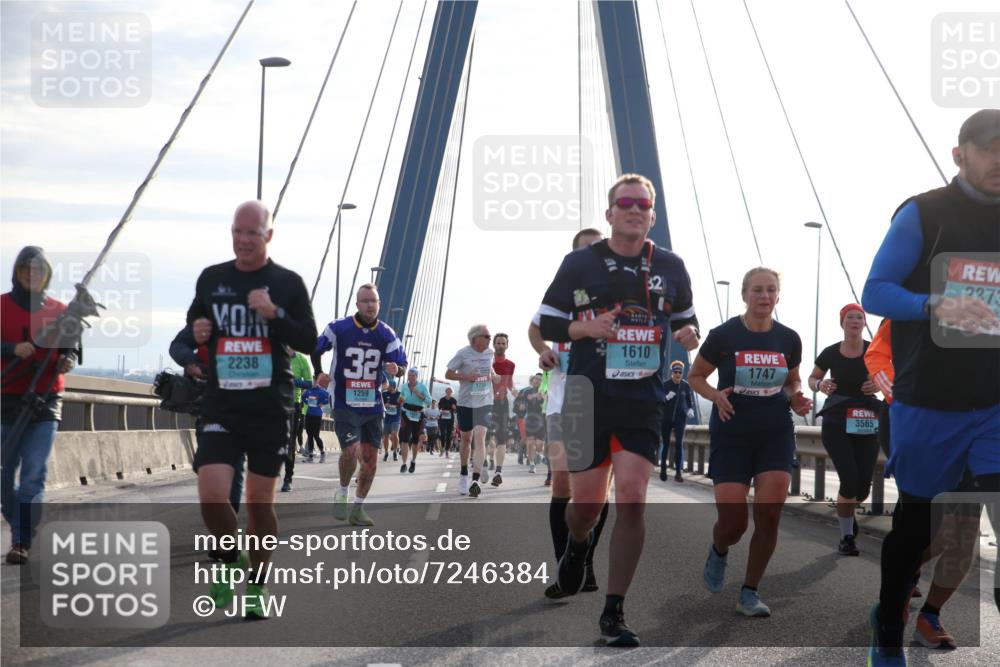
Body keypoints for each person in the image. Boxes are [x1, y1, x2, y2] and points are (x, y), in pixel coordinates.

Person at [861, 108, 1000, 666]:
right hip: (930, 400)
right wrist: (933, 303)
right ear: (960, 154)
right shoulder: (925, 214)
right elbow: (876, 291)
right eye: (990, 148)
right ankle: (889, 624)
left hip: (994, 401)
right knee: (916, 527)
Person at [538, 173, 700, 646]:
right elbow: (548, 318)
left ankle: (614, 612)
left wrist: (690, 335)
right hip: (588, 396)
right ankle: (578, 546)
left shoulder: (671, 265)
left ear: (652, 215)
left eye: (643, 205)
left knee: (632, 494)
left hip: (641, 398)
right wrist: (585, 331)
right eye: (625, 203)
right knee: (585, 507)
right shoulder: (579, 264)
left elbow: (687, 319)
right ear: (609, 213)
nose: (634, 210)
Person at [185, 200, 317, 619]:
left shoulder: (288, 283)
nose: (243, 240)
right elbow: (196, 320)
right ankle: (230, 559)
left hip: (269, 408)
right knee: (210, 496)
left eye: (252, 234)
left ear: (268, 236)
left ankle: (256, 587)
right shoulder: (212, 278)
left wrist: (274, 314)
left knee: (260, 506)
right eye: (237, 232)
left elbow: (310, 340)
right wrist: (198, 329)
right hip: (222, 403)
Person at [688, 267, 812, 618]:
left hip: (775, 431)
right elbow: (695, 376)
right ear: (744, 295)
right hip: (732, 433)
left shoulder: (789, 338)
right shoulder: (724, 336)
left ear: (778, 295)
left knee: (770, 514)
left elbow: (792, 381)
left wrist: (796, 398)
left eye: (771, 290)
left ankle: (749, 591)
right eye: (757, 290)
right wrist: (715, 395)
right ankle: (719, 547)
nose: (764, 296)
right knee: (734, 524)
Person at [865, 318, 981, 650]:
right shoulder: (916, 298)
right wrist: (897, 395)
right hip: (916, 423)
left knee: (962, 534)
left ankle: (929, 615)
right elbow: (878, 355)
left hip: (976, 429)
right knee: (928, 530)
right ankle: (896, 595)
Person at [530, 227, 610, 598]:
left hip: (604, 401)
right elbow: (534, 329)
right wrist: (543, 350)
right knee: (562, 482)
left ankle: (585, 559)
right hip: (563, 401)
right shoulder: (562, 295)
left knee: (596, 494)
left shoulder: (618, 298)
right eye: (584, 251)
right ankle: (565, 565)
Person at [1, 246, 76, 564]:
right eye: (25, 269)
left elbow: (73, 348)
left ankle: (21, 541)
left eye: (38, 270)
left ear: (46, 275)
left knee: (34, 473)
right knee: (4, 476)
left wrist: (67, 360)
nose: (32, 274)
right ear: (17, 273)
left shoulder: (61, 311)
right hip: (6, 399)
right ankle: (22, 528)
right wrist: (11, 348)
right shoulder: (1, 306)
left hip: (45, 399)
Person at [313, 283, 407, 526]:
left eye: (373, 301)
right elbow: (316, 348)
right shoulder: (339, 328)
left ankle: (359, 508)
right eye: (365, 301)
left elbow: (402, 363)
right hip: (344, 400)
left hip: (373, 404)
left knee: (370, 460)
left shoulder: (387, 334)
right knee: (351, 452)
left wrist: (397, 369)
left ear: (379, 305)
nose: (369, 305)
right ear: (357, 304)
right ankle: (343, 492)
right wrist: (318, 373)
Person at [806, 303, 882, 555]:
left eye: (859, 317)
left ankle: (847, 515)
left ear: (864, 322)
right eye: (850, 317)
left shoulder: (874, 349)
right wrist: (821, 385)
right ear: (842, 322)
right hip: (837, 421)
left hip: (867, 420)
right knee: (849, 479)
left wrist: (877, 386)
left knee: (862, 488)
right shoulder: (830, 352)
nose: (855, 320)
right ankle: (846, 537)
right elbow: (812, 378)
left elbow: (888, 376)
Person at [169, 323, 246, 511]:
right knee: (203, 465)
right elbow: (178, 345)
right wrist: (192, 362)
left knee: (234, 467)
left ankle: (227, 529)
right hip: (209, 405)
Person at [445, 324, 497, 498]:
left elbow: (490, 367)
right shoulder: (463, 353)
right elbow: (448, 374)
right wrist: (467, 376)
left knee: (481, 437)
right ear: (476, 338)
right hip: (466, 403)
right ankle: (463, 473)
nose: (491, 339)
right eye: (487, 336)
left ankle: (475, 480)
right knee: (467, 439)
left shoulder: (490, 353)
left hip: (485, 401)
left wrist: (494, 375)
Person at [282, 350, 313, 491]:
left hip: (293, 403)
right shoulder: (273, 354)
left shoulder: (301, 360)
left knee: (290, 443)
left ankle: (288, 478)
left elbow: (309, 383)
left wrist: (292, 380)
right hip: (272, 402)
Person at [660, 360, 695, 483]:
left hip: (680, 418)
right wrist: (666, 397)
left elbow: (689, 401)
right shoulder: (665, 385)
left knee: (679, 444)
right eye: (676, 372)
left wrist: (690, 409)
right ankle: (663, 468)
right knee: (666, 444)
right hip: (667, 419)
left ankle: (678, 473)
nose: (678, 374)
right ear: (672, 372)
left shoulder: (685, 385)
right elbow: (659, 402)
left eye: (680, 372)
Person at [491, 333, 517, 468]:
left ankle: (498, 471)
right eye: (498, 343)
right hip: (486, 402)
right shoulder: (488, 361)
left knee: (502, 437)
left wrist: (514, 391)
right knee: (487, 437)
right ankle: (486, 461)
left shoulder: (511, 365)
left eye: (503, 343)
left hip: (502, 402)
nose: (501, 345)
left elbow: (510, 383)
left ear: (507, 345)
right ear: (493, 345)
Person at [398, 368, 430, 473]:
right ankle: (403, 464)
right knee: (404, 439)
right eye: (409, 375)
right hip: (406, 412)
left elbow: (429, 400)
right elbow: (401, 396)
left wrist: (418, 394)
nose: (411, 377)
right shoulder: (404, 386)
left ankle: (413, 461)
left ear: (417, 376)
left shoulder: (422, 386)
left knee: (415, 440)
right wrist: (400, 399)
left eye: (413, 375)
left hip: (418, 414)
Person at [519, 374, 546, 473]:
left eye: (539, 380)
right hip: (530, 419)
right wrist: (536, 395)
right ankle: (531, 464)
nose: (537, 381)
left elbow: (545, 401)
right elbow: (529, 397)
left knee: (539, 444)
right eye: (536, 379)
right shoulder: (527, 391)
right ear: (533, 380)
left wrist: (542, 397)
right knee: (530, 443)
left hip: (541, 419)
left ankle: (539, 455)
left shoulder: (545, 391)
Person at [300, 377, 331, 463]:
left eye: (314, 381)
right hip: (309, 414)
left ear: (317, 382)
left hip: (317, 415)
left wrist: (323, 403)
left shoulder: (321, 391)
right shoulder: (309, 390)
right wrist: (306, 402)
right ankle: (310, 456)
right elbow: (303, 397)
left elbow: (329, 397)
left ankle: (322, 453)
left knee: (316, 436)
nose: (312, 383)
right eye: (312, 381)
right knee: (309, 435)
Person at [381, 380, 402, 462]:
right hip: (386, 418)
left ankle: (395, 452)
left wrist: (399, 403)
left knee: (394, 434)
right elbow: (380, 402)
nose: (387, 387)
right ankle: (386, 453)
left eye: (389, 386)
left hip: (396, 418)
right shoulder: (384, 394)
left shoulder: (399, 394)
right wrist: (384, 405)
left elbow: (403, 402)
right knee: (385, 437)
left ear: (393, 387)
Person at [438, 387, 457, 459]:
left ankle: (447, 451)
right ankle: (442, 448)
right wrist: (441, 410)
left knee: (449, 435)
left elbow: (455, 411)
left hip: (450, 418)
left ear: (452, 392)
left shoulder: (454, 400)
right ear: (445, 391)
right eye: (447, 391)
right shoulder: (442, 399)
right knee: (442, 433)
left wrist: (455, 408)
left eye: (450, 391)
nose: (449, 392)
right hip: (442, 418)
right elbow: (439, 408)